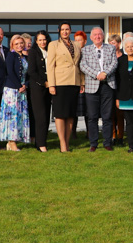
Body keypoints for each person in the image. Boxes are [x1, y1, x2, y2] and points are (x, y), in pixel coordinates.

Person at [47, 22, 83, 152]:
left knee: (70, 114)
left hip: (74, 82)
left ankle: (67, 143)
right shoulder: (53, 45)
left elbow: (80, 65)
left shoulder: (77, 45)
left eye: (67, 29)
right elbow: (50, 66)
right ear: (59, 31)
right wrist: (51, 84)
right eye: (62, 29)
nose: (65, 32)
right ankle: (62, 144)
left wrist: (82, 82)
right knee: (60, 114)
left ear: (71, 30)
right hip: (60, 83)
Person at [80, 27, 118, 152]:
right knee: (92, 116)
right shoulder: (85, 50)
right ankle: (93, 143)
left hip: (108, 85)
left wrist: (105, 73)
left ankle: (107, 142)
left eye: (99, 34)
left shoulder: (111, 48)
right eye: (95, 35)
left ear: (103, 36)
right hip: (92, 86)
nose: (97, 36)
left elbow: (114, 63)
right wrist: (97, 74)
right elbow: (83, 65)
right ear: (91, 37)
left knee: (107, 116)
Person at [0, 34, 29, 151]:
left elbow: (28, 74)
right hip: (11, 90)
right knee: (12, 116)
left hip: (22, 90)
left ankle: (13, 142)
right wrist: (18, 86)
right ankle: (11, 142)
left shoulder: (25, 57)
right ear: (12, 45)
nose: (19, 45)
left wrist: (25, 85)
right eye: (16, 44)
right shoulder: (11, 55)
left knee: (19, 116)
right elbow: (10, 72)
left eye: (21, 43)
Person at [27, 31, 52, 152]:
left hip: (50, 87)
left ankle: (42, 141)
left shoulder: (50, 51)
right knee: (40, 116)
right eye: (40, 40)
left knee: (47, 115)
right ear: (36, 41)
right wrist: (44, 82)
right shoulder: (32, 52)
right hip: (37, 88)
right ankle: (40, 144)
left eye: (44, 39)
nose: (42, 42)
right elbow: (31, 71)